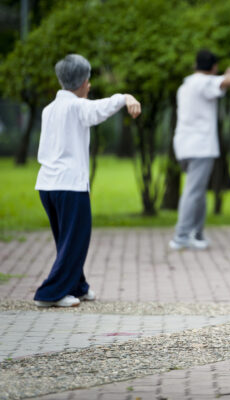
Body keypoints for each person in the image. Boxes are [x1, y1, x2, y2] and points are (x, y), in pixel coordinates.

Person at [34, 54, 141, 307]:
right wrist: (125, 97)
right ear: (82, 81)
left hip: (47, 186)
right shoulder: (77, 106)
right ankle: (50, 294)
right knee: (76, 240)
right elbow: (99, 109)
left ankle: (77, 286)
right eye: (89, 79)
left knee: (67, 240)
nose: (90, 85)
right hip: (70, 186)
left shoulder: (49, 109)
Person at [169, 50, 230, 250]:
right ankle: (181, 235)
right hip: (200, 147)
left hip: (184, 145)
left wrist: (225, 78)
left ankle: (196, 233)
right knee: (193, 191)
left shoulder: (187, 85)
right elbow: (221, 83)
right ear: (213, 67)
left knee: (198, 191)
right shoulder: (204, 82)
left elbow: (220, 84)